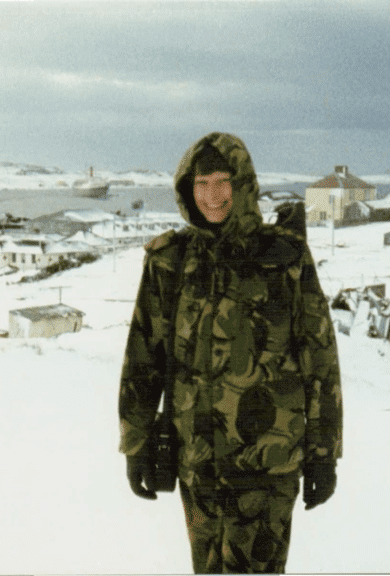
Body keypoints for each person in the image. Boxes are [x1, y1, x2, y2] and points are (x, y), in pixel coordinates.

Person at [118, 132, 342, 574]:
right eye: (200, 184)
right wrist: (136, 445)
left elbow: (320, 358)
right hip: (198, 464)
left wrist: (323, 453)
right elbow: (145, 358)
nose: (212, 196)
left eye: (223, 182)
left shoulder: (286, 256)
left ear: (244, 185)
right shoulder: (170, 261)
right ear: (187, 188)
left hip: (269, 464)